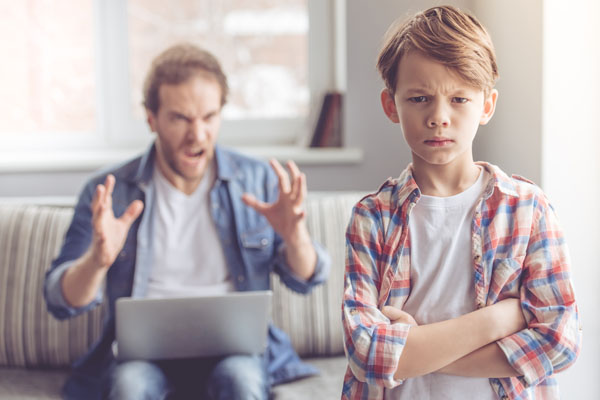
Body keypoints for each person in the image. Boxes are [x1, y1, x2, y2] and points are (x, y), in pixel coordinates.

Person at [44, 43, 331, 400]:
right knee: (130, 387)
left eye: (209, 117)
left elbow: (309, 279)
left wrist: (295, 236)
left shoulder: (258, 181)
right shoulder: (108, 191)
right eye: (180, 118)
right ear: (152, 118)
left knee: (241, 382)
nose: (197, 135)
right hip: (142, 359)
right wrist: (97, 261)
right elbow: (59, 299)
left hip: (234, 354)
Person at [341, 5, 580, 399]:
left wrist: (417, 349)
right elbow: (367, 354)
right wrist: (497, 320)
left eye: (459, 99)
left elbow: (560, 340)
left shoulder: (529, 209)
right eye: (419, 98)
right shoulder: (372, 217)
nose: (438, 116)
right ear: (390, 105)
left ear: (486, 105)